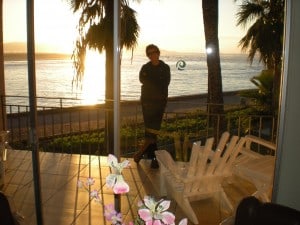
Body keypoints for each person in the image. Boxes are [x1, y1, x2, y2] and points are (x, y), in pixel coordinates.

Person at [134, 44, 171, 168]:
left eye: (154, 52)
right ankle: (152, 158)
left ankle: (142, 153)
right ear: (148, 55)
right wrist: (155, 84)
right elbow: (143, 81)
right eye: (149, 53)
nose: (152, 55)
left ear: (158, 52)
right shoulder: (145, 68)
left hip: (159, 104)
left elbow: (165, 83)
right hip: (147, 104)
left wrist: (152, 83)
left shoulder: (165, 68)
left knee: (153, 131)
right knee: (151, 131)